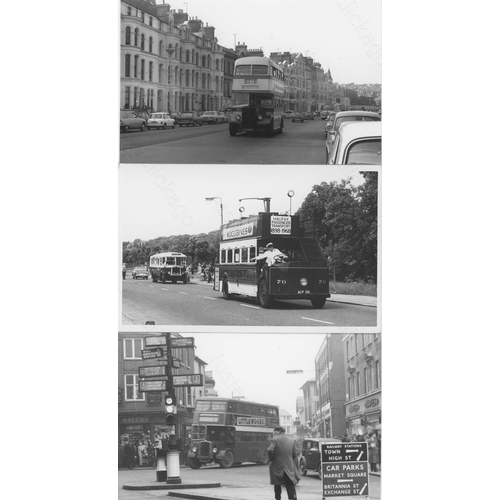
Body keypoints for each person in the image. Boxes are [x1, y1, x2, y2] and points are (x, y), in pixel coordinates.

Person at [267, 426, 298, 500]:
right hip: (289, 468)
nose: (274, 433)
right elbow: (295, 455)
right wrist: (290, 462)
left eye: (274, 431)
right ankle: (292, 498)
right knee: (290, 486)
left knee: (277, 486)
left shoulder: (274, 440)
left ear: (278, 431)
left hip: (277, 467)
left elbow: (270, 450)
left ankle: (278, 498)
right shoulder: (291, 440)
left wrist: (272, 458)